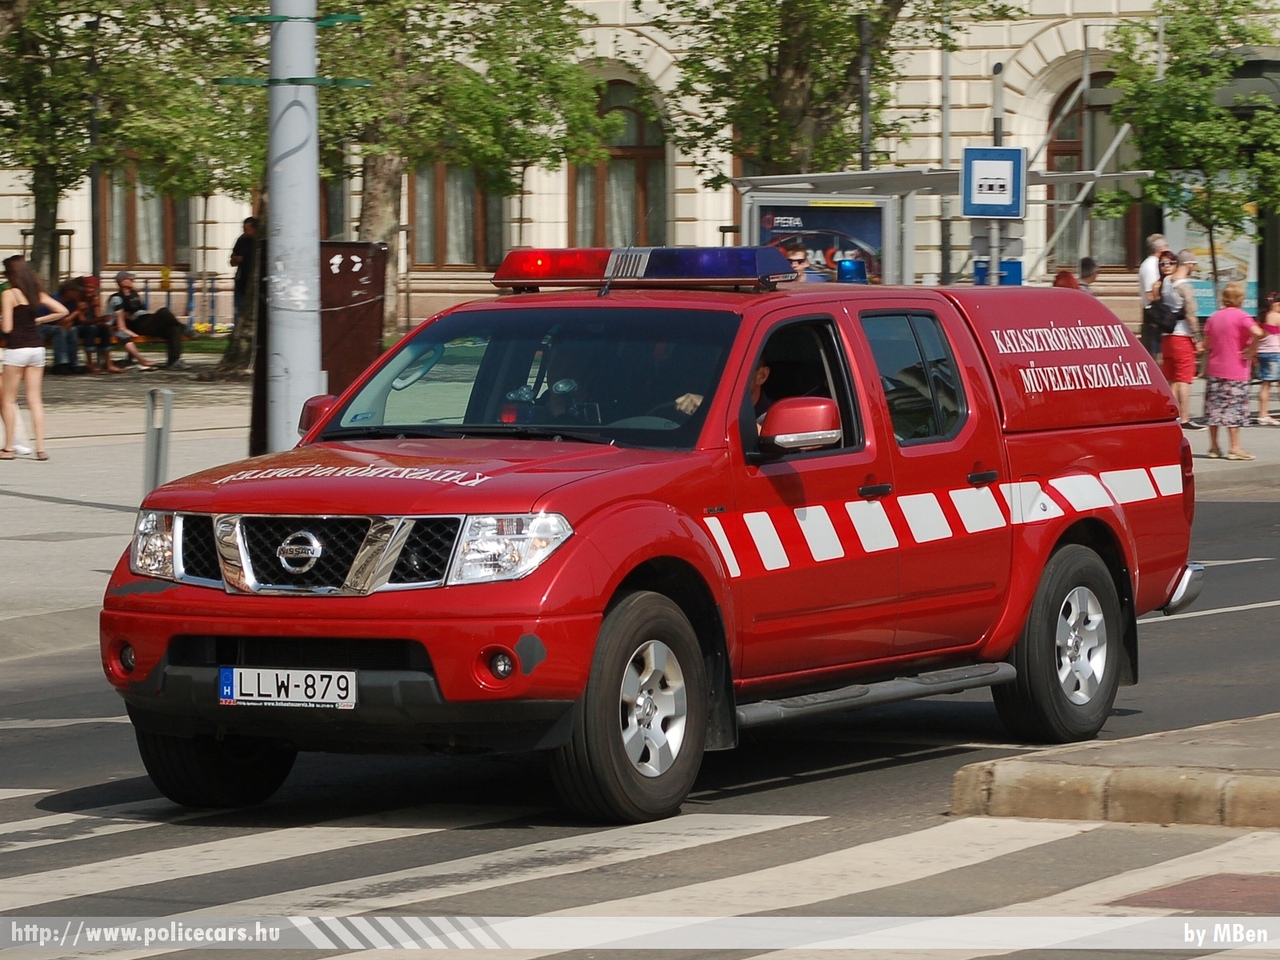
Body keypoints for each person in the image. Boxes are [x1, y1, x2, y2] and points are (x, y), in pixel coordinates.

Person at [1, 255, 68, 460]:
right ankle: (40, 448)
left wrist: (2, 319)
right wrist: (39, 319)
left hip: (17, 349)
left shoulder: (9, 294)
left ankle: (9, 447)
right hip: (37, 349)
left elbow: (7, 328)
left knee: (8, 400)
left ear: (11, 275)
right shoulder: (35, 293)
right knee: (35, 400)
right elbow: (62, 311)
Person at [1203, 281, 1263, 460]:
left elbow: (1207, 344)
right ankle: (1234, 448)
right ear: (1239, 299)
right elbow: (1258, 332)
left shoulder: (1213, 317)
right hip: (1236, 369)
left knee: (1214, 410)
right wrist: (1252, 349)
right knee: (1234, 410)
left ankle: (1214, 447)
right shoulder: (1242, 317)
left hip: (1215, 368)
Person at [1160, 249, 1204, 431]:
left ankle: (1170, 414)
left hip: (1167, 337)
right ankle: (1184, 417)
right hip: (1182, 336)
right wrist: (1198, 339)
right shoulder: (1185, 286)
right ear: (1189, 264)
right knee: (1184, 379)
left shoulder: (1165, 283)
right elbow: (1191, 315)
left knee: (1171, 378)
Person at [106, 271, 186, 370]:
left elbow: (142, 309)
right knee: (163, 311)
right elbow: (118, 317)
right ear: (122, 282)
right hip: (137, 324)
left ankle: (174, 362)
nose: (133, 281)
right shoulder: (116, 298)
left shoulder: (134, 294)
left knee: (174, 328)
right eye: (130, 279)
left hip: (146, 320)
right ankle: (185, 328)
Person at [1138, 233, 1170, 356]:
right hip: (1154, 316)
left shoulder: (1153, 264)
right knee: (1154, 353)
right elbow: (1150, 294)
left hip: (1155, 314)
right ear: (1160, 249)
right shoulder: (1151, 266)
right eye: (1166, 246)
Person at [1255, 291, 1280, 425]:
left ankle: (1262, 414)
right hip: (1275, 353)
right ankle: (1263, 414)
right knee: (1271, 385)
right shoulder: (1276, 316)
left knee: (1265, 384)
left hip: (1263, 352)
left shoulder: (1262, 317)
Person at [230, 216, 258, 318]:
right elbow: (232, 261)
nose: (245, 231)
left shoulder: (258, 242)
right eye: (244, 229)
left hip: (254, 283)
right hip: (241, 282)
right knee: (239, 309)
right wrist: (235, 259)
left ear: (254, 229)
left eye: (248, 229)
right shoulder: (241, 240)